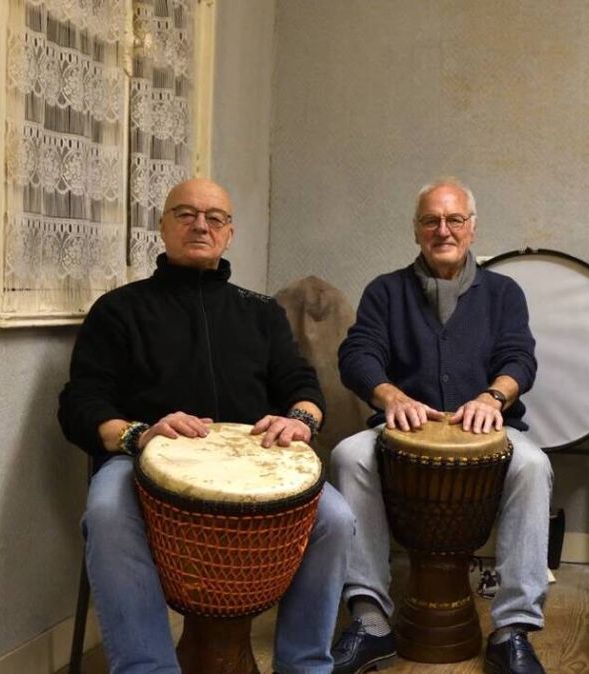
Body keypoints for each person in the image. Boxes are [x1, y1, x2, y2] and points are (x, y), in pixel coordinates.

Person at [58, 178, 355, 674]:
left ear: (229, 233)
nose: (201, 225)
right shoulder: (118, 310)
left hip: (256, 467)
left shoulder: (261, 313)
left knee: (336, 520)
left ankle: (305, 667)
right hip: (142, 462)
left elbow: (301, 385)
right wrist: (139, 433)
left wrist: (300, 419)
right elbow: (81, 402)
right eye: (186, 213)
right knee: (107, 512)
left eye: (214, 217)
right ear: (162, 226)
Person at [329, 177, 553, 674]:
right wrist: (389, 395)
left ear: (472, 229)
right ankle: (369, 620)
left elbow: (521, 358)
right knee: (348, 455)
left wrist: (493, 397)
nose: (443, 230)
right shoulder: (385, 291)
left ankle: (513, 628)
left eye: (455, 220)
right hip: (402, 431)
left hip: (488, 431)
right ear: (416, 231)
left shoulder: (503, 292)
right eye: (431, 220)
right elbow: (358, 353)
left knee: (534, 466)